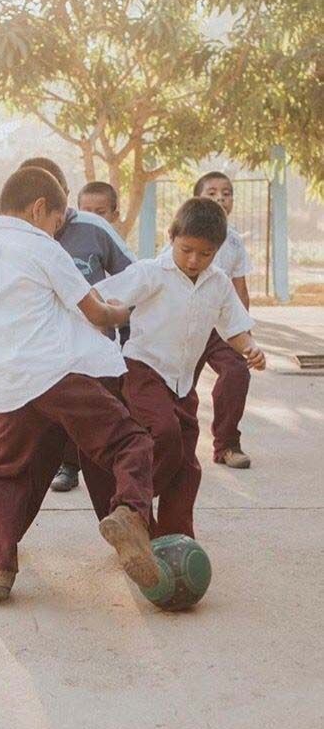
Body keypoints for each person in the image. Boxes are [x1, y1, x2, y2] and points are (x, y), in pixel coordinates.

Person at [0, 166, 159, 602]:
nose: (56, 229)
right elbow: (96, 313)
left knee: (7, 475)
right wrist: (124, 311)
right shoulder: (42, 247)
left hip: (0, 383)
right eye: (57, 220)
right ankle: (131, 515)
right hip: (54, 374)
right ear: (39, 208)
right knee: (128, 441)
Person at [97, 198, 266, 539]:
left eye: (205, 254)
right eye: (187, 249)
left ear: (217, 251)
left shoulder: (217, 282)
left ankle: (174, 539)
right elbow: (99, 297)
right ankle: (129, 510)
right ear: (171, 236)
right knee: (165, 433)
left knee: (188, 467)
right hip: (143, 370)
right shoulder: (150, 273)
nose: (193, 260)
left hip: (182, 383)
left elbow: (234, 326)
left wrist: (250, 347)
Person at [18, 160, 136, 493]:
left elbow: (132, 276)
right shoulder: (16, 238)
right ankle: (66, 466)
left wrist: (119, 322)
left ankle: (117, 498)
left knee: (103, 424)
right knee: (42, 432)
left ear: (65, 194)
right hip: (40, 351)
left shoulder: (94, 228)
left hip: (92, 345)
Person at [191, 172, 255, 469]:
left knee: (237, 373)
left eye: (226, 193)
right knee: (176, 385)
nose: (220, 198)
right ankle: (172, 444)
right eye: (212, 192)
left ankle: (227, 445)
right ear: (197, 199)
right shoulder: (185, 233)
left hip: (220, 327)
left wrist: (244, 330)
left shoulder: (234, 241)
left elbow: (240, 287)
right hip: (187, 324)